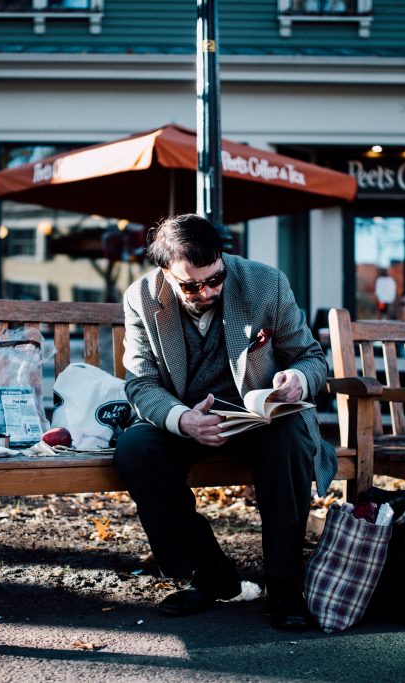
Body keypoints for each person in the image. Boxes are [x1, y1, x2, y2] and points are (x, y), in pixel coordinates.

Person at [113, 214, 336, 631]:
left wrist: (298, 380)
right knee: (135, 449)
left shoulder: (266, 283)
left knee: (290, 438)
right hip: (185, 417)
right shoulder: (140, 298)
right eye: (191, 286)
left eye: (215, 279)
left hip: (259, 419)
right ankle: (207, 570)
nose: (207, 291)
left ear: (222, 259)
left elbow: (311, 357)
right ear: (165, 272)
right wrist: (183, 420)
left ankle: (284, 583)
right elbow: (141, 384)